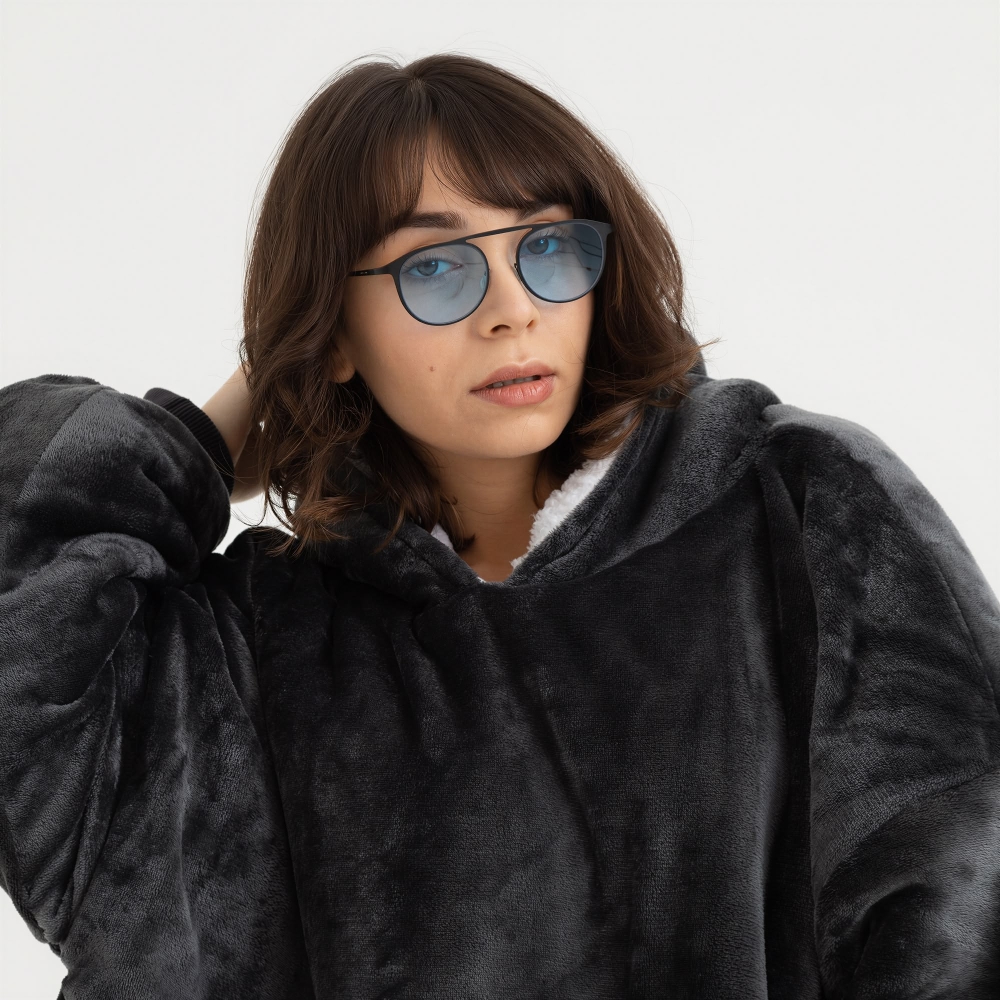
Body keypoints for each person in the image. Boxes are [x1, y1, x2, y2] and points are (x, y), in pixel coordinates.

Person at [0, 53, 997, 1000]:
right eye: (436, 267)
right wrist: (206, 440)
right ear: (332, 327)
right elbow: (29, 683)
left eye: (550, 246)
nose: (514, 309)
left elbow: (960, 888)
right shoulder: (263, 639)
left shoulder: (789, 498)